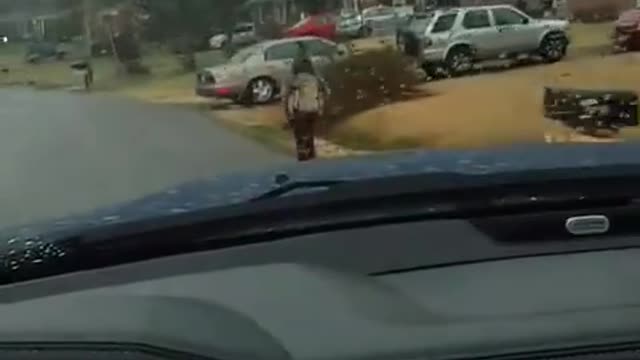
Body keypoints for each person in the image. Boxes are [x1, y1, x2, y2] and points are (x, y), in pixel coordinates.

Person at [283, 44, 329, 162]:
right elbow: (326, 92)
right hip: (314, 109)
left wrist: (288, 114)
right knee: (310, 134)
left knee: (300, 138)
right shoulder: (316, 78)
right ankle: (312, 157)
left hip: (300, 110)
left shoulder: (294, 79)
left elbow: (286, 97)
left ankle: (304, 161)